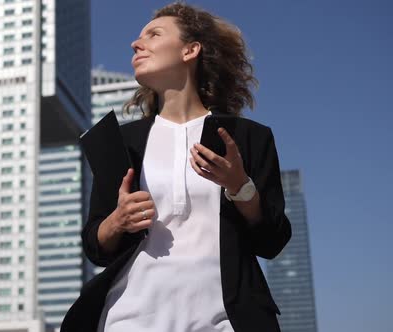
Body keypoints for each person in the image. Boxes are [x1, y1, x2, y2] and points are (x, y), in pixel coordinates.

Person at [61, 2, 291, 332]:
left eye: (153, 34)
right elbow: (95, 246)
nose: (135, 44)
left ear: (190, 50)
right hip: (127, 319)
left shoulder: (248, 138)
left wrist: (242, 187)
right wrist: (117, 220)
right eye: (138, 37)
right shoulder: (119, 142)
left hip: (225, 321)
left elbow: (273, 240)